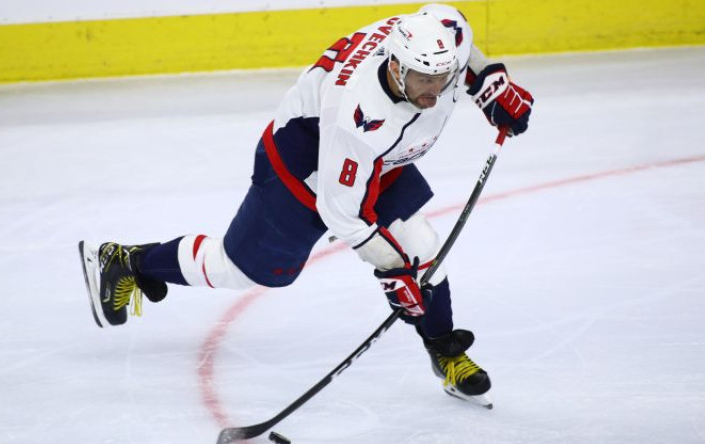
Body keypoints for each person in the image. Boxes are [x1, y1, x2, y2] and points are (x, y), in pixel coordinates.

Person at [78, 3, 533, 407]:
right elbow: (344, 215)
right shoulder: (359, 118)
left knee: (423, 242)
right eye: (423, 80)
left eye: (443, 78)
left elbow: (462, 43)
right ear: (395, 67)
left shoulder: (438, 31)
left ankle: (446, 352)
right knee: (237, 269)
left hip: (381, 160)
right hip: (304, 164)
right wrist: (393, 273)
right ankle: (131, 263)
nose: (434, 92)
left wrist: (489, 80)